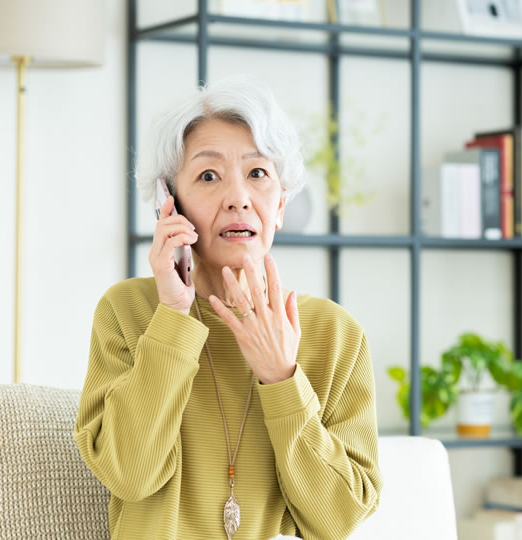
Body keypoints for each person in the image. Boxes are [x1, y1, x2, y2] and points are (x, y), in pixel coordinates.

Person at [72, 74, 383, 540]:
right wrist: (173, 318)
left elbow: (338, 517)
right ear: (169, 205)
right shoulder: (128, 313)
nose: (238, 198)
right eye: (209, 176)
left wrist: (282, 379)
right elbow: (128, 474)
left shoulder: (335, 335)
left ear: (280, 204)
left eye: (257, 173)